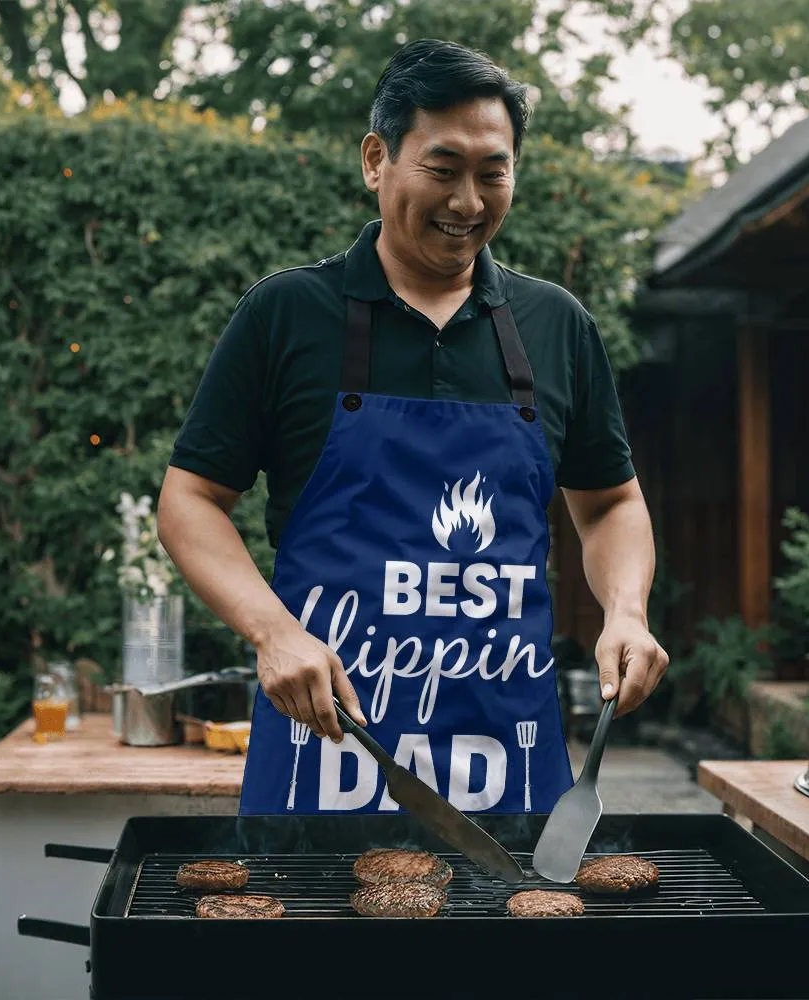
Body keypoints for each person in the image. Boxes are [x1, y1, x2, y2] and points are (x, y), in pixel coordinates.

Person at [158, 39, 668, 816]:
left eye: (493, 172)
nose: (469, 201)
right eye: (443, 167)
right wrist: (273, 633)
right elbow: (190, 499)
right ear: (376, 160)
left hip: (510, 771)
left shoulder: (555, 326)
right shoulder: (287, 314)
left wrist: (626, 610)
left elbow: (609, 504)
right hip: (323, 757)